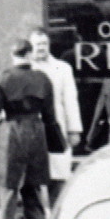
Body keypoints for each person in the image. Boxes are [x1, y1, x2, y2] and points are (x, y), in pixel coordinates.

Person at [0, 40, 65, 219]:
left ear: (13, 55)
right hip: (36, 131)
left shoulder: (4, 78)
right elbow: (50, 114)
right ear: (30, 55)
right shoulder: (43, 78)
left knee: (9, 183)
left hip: (12, 130)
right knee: (33, 182)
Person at [28, 29, 81, 183]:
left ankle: (56, 206)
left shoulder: (62, 68)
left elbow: (70, 100)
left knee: (58, 172)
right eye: (37, 44)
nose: (41, 47)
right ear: (30, 46)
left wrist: (74, 130)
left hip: (57, 127)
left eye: (44, 43)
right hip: (31, 128)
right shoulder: (24, 70)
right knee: (33, 177)